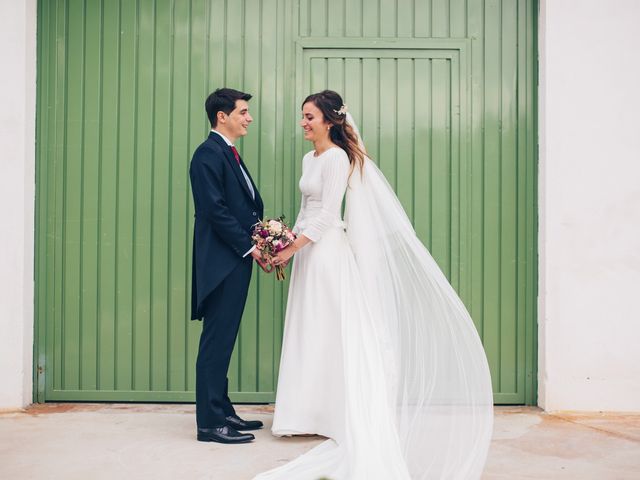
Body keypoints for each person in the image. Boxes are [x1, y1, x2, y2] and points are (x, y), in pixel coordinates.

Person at [254, 90, 494, 479]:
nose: (303, 122)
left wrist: (289, 250)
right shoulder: (307, 158)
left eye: (310, 117)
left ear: (330, 121)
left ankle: (336, 413)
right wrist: (278, 243)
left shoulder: (336, 158)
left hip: (327, 253)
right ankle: (303, 411)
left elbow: (328, 215)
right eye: (302, 116)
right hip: (306, 255)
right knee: (308, 329)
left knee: (331, 330)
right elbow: (304, 212)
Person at [189, 88, 270, 444]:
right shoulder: (207, 154)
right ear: (222, 116)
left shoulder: (228, 153)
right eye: (243, 112)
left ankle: (223, 411)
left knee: (225, 339)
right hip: (223, 262)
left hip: (235, 260)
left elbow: (241, 206)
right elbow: (214, 210)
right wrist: (249, 246)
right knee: (215, 341)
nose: (248, 117)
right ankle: (209, 423)